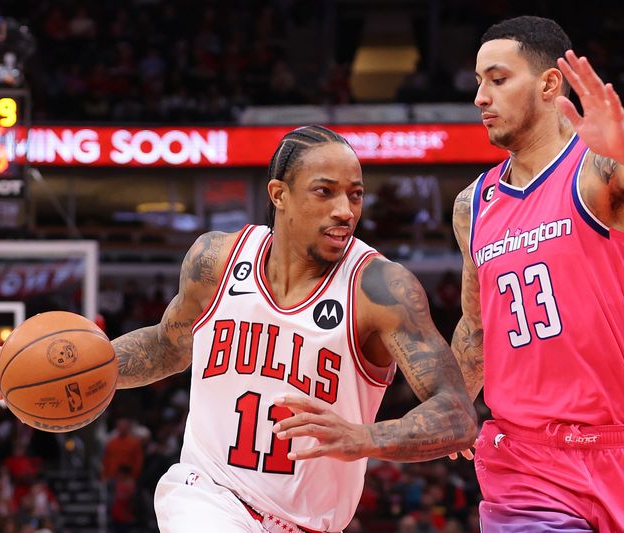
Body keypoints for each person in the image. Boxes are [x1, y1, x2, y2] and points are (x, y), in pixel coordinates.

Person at [112, 125, 477, 533]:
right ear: (279, 195)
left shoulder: (379, 288)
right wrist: (95, 370)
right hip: (208, 497)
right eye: (325, 192)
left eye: (355, 194)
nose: (345, 210)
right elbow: (166, 347)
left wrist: (364, 437)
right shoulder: (216, 260)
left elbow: (459, 415)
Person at [450, 16, 624, 532]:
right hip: (526, 461)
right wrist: (455, 404)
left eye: (497, 80)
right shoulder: (473, 204)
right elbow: (476, 329)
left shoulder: (602, 169)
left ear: (550, 84)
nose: (480, 97)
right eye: (478, 82)